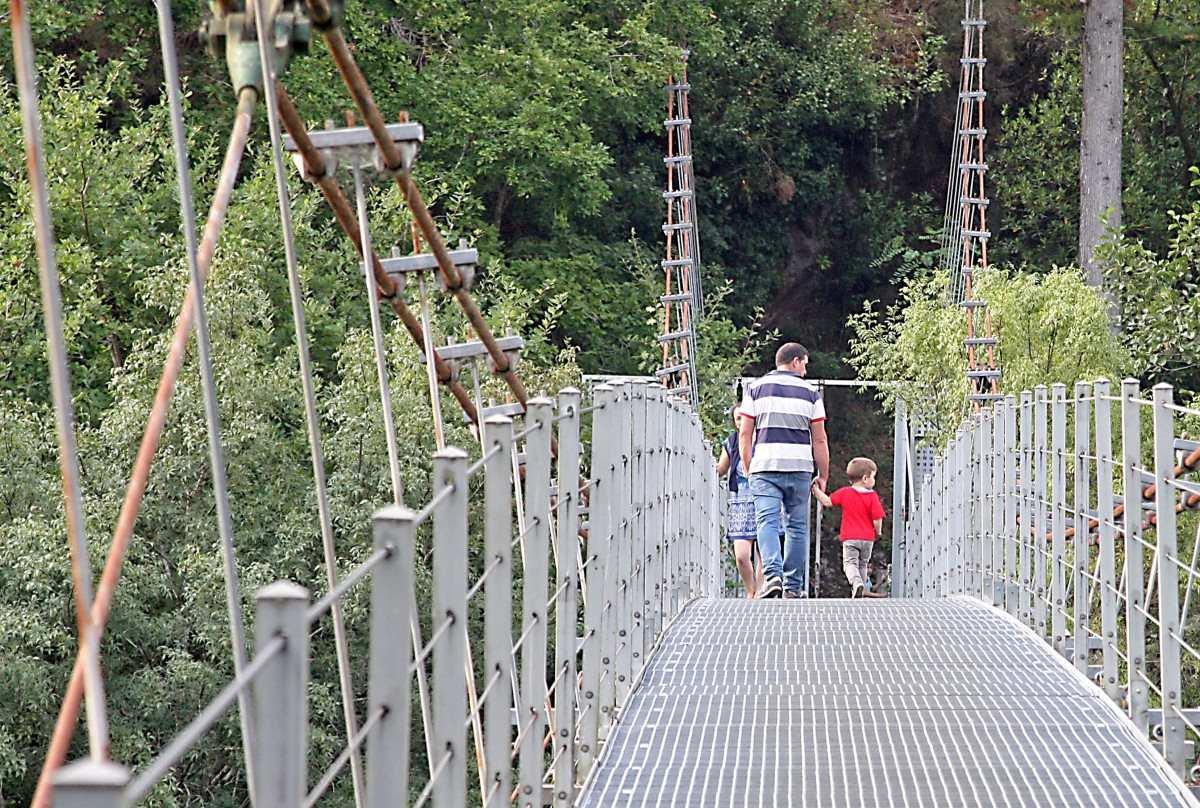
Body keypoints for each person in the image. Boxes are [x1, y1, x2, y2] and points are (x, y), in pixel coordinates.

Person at [738, 342, 829, 599]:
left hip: (764, 467)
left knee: (766, 521)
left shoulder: (755, 389)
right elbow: (820, 439)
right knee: (796, 527)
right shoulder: (811, 393)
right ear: (796, 361)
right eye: (805, 365)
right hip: (799, 467)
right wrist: (823, 475)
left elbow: (745, 433)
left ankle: (772, 575)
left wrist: (749, 466)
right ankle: (792, 586)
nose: (805, 371)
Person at [812, 457, 886, 599]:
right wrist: (878, 532)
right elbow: (877, 519)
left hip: (850, 537)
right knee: (863, 564)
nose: (874, 481)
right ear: (865, 478)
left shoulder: (845, 493)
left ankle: (856, 583)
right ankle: (861, 588)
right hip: (867, 538)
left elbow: (827, 501)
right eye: (873, 477)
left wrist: (815, 490)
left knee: (850, 564)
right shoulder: (872, 496)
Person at [716, 408, 762, 598]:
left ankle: (759, 596)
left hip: (764, 500)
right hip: (741, 505)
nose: (742, 422)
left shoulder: (765, 441)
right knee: (742, 556)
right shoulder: (732, 442)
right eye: (737, 419)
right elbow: (720, 469)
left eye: (745, 417)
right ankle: (751, 589)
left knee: (765, 555)